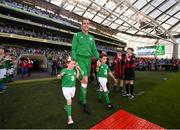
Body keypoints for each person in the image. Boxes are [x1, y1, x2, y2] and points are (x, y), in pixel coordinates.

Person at [71, 18, 100, 114]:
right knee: (85, 80)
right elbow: (73, 49)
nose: (86, 25)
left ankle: (80, 98)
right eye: (84, 23)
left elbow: (94, 50)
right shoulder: (77, 35)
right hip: (79, 60)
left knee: (85, 81)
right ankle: (84, 103)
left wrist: (98, 58)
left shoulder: (92, 37)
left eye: (88, 23)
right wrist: (75, 60)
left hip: (88, 61)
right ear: (81, 25)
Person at [57, 57, 80, 125]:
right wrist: (60, 75)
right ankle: (70, 118)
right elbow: (58, 77)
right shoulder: (64, 70)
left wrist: (78, 70)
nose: (73, 65)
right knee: (69, 101)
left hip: (73, 88)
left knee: (69, 99)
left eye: (74, 64)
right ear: (67, 64)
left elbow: (77, 77)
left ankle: (65, 106)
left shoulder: (74, 70)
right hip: (65, 88)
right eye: (72, 64)